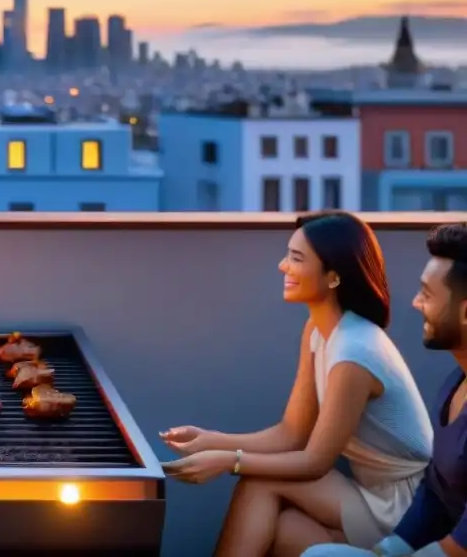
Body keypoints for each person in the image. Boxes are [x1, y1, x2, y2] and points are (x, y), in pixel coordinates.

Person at [161, 211, 433, 557]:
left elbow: (314, 462)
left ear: (333, 277)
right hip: (368, 493)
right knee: (284, 530)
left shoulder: (354, 352)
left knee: (259, 483)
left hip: (402, 506)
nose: (282, 266)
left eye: (295, 258)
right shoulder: (319, 331)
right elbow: (291, 432)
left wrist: (227, 460)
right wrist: (210, 441)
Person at [301, 222, 467, 556]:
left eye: (427, 294)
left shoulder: (355, 350)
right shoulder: (454, 385)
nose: (416, 303)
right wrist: (391, 548)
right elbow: (436, 492)